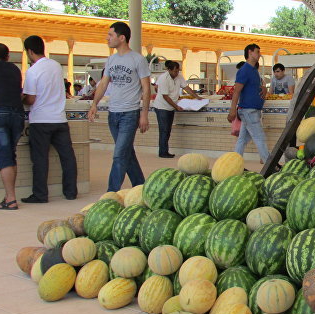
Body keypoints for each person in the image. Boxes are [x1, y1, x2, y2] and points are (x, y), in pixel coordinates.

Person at [88, 22, 151, 192]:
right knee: (126, 153)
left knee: (118, 155)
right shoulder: (111, 59)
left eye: (110, 35)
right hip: (113, 114)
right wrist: (94, 104)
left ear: (121, 38)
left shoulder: (137, 59)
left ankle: (111, 193)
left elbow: (146, 88)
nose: (107, 38)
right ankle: (141, 186)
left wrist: (144, 115)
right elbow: (103, 84)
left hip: (129, 114)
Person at [21, 35, 78, 203]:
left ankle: (40, 194)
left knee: (40, 159)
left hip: (40, 120)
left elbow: (31, 99)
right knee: (67, 157)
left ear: (30, 51)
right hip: (59, 119)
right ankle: (70, 192)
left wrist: (21, 98)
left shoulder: (33, 71)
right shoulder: (56, 66)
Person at [0, 43, 25, 210]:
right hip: (18, 114)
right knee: (11, 155)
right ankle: (9, 196)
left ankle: (10, 199)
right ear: (8, 56)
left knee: (4, 158)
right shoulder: (15, 69)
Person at [227, 43, 270, 164]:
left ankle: (234, 163)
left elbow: (254, 87)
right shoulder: (244, 70)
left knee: (243, 139)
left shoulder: (254, 71)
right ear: (250, 52)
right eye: (257, 52)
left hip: (252, 110)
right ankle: (269, 164)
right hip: (248, 110)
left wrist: (264, 88)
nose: (259, 54)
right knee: (259, 137)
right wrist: (232, 110)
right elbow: (236, 91)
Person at [153, 60, 200, 158]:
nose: (176, 73)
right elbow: (165, 96)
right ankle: (163, 152)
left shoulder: (179, 77)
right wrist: (176, 107)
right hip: (162, 107)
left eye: (178, 71)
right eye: (175, 71)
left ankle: (164, 150)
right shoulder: (163, 79)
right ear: (169, 70)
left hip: (170, 107)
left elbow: (186, 88)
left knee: (168, 130)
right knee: (164, 130)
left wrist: (197, 97)